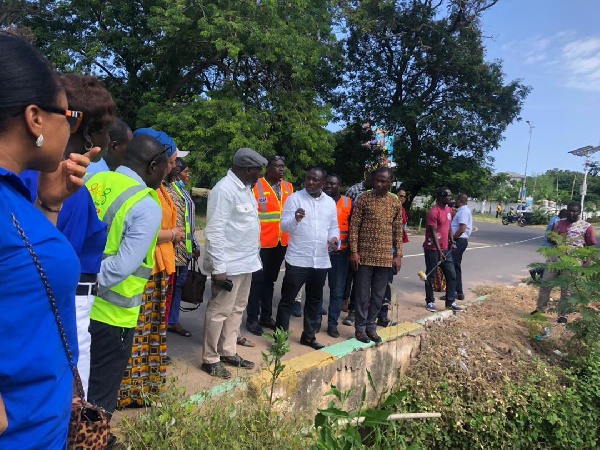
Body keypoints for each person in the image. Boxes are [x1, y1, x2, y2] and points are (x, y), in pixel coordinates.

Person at [0, 32, 100, 447]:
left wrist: (49, 202)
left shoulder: (17, 193)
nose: (73, 129)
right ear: (35, 118)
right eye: (70, 117)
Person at [20, 74, 115, 398]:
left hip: (59, 300)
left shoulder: (34, 174)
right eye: (105, 128)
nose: (108, 136)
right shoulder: (63, 186)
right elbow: (49, 263)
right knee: (72, 395)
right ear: (87, 133)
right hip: (68, 302)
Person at [86, 134, 167, 417]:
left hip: (75, 308)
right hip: (112, 316)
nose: (164, 176)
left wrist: (74, 288)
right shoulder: (145, 204)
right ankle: (93, 440)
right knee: (99, 396)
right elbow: (122, 266)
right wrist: (84, 285)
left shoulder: (93, 181)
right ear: (152, 165)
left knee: (75, 386)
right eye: (164, 168)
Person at [117, 128, 181, 407]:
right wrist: (173, 235)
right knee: (138, 333)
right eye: (171, 161)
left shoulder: (162, 188)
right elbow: (147, 231)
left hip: (161, 268)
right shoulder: (143, 190)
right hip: (145, 268)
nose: (174, 166)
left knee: (152, 330)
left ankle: (145, 387)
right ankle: (128, 390)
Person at [200, 148, 266, 379]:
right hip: (229, 265)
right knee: (219, 311)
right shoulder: (224, 190)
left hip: (247, 262)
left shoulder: (246, 189)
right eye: (258, 170)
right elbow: (214, 231)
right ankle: (210, 359)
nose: (260, 174)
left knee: (237, 310)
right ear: (247, 169)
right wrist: (219, 268)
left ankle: (228, 351)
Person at [275, 168, 339, 349]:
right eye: (308, 179)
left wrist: (334, 240)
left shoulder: (329, 203)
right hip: (297, 258)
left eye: (315, 180)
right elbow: (284, 227)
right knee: (287, 300)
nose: (310, 182)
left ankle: (309, 336)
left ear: (323, 183)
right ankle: (280, 339)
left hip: (320, 260)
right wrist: (295, 219)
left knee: (314, 300)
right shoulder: (294, 199)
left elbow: (333, 227)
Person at [349, 167, 403, 343]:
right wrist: (354, 251)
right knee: (362, 294)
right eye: (376, 180)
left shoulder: (394, 202)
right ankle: (360, 328)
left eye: (383, 181)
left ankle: (371, 326)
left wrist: (398, 255)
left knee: (378, 295)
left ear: (390, 183)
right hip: (364, 255)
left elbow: (397, 230)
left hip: (385, 256)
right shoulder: (363, 198)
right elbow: (354, 226)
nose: (378, 184)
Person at [246, 155, 294, 336]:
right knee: (256, 281)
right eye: (277, 166)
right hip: (260, 242)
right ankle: (252, 318)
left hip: (281, 242)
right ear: (268, 168)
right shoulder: (256, 185)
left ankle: (266, 317)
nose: (281, 169)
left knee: (270, 281)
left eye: (282, 166)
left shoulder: (288, 187)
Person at [532, 202, 596, 324]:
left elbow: (590, 245)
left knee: (567, 290)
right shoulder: (558, 223)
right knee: (545, 284)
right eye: (570, 210)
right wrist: (556, 237)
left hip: (572, 263)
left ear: (579, 212)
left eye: (575, 211)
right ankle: (540, 310)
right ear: (566, 211)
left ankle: (563, 315)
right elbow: (550, 238)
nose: (572, 213)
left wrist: (587, 261)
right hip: (554, 260)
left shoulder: (586, 226)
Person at [167, 157, 201, 336]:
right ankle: (167, 321)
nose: (188, 175)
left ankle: (173, 320)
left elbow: (188, 221)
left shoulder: (182, 191)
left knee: (178, 285)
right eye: (185, 171)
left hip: (185, 248)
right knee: (170, 287)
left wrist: (194, 244)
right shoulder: (169, 190)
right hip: (174, 248)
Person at [423, 187, 461, 312]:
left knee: (452, 275)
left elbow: (448, 227)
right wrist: (439, 252)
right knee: (431, 276)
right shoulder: (433, 212)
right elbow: (433, 234)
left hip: (445, 249)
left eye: (451, 195)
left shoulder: (448, 210)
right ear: (440, 197)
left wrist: (452, 241)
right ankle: (430, 301)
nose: (451, 198)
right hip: (433, 249)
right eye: (448, 196)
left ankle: (450, 302)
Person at [323, 174, 352, 338]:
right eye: (326, 183)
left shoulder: (348, 202)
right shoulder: (318, 201)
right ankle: (313, 323)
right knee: (316, 290)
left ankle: (332, 324)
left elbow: (353, 227)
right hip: (320, 252)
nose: (328, 186)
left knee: (337, 291)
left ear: (339, 185)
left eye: (332, 184)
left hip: (340, 254)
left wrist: (350, 248)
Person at [377, 187, 410, 327]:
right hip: (378, 252)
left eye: (403, 196)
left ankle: (382, 316)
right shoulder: (385, 208)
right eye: (399, 196)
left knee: (387, 284)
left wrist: (398, 255)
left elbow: (398, 236)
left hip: (391, 253)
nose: (401, 198)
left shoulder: (401, 212)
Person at [450, 194, 472, 301]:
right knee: (456, 267)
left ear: (459, 201)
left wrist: (453, 238)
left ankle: (453, 292)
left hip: (459, 240)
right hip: (461, 240)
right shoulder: (464, 210)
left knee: (452, 267)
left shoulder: (463, 211)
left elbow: (462, 228)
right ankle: (459, 292)